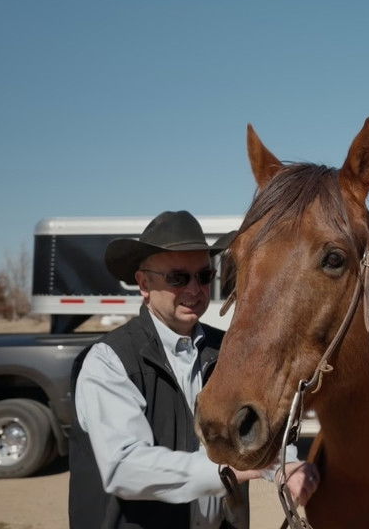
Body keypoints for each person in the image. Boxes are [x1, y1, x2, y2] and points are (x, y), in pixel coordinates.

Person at [68, 210, 317, 529]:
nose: (194, 289)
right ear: (144, 284)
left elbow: (261, 426)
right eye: (178, 278)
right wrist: (237, 470)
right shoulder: (110, 361)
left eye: (203, 276)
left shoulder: (229, 351)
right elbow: (125, 467)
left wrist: (288, 464)